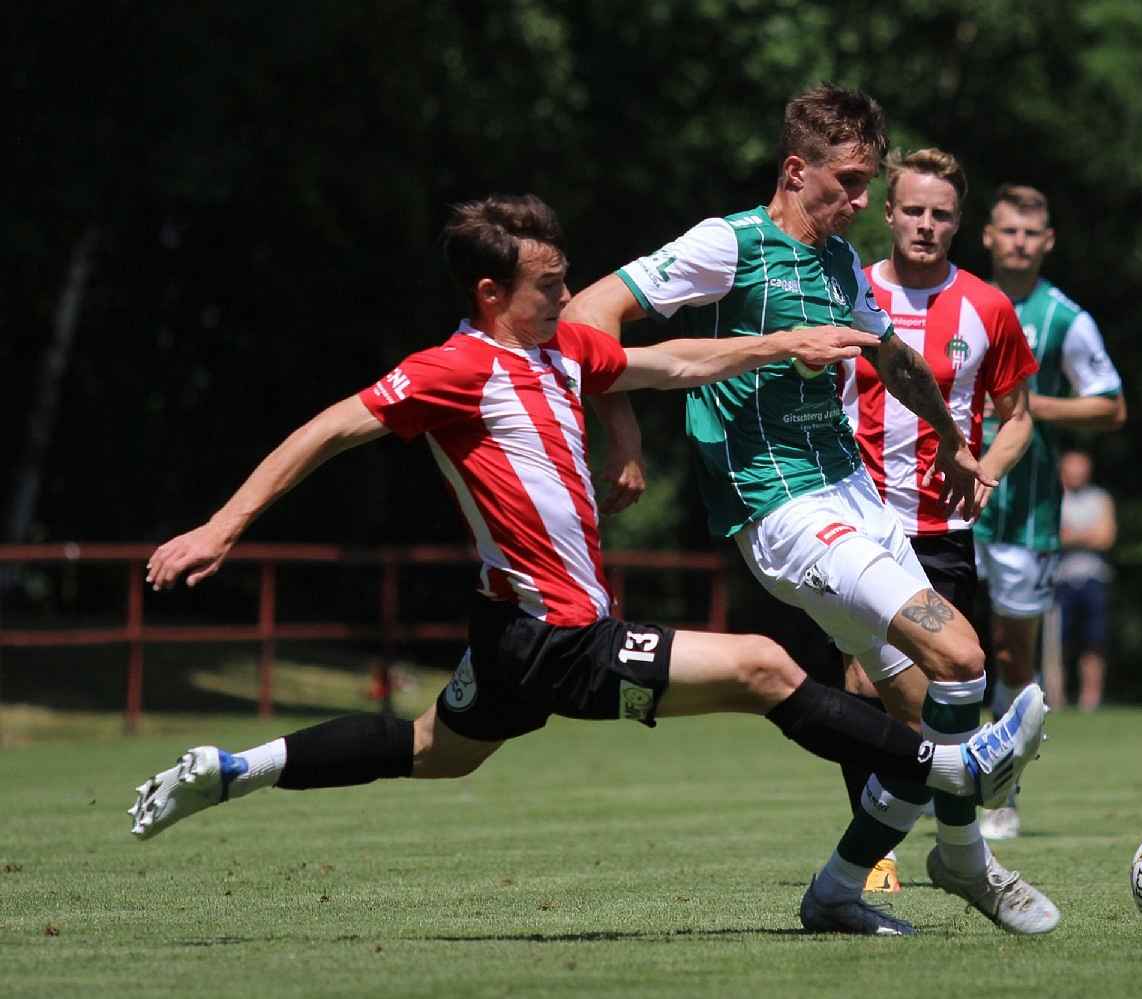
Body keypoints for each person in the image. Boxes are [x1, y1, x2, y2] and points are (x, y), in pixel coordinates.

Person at [127, 196, 1032, 924]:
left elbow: (667, 361)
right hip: (554, 636)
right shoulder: (454, 370)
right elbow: (330, 427)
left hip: (509, 635)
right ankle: (949, 770)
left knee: (432, 750)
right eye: (549, 285)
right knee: (765, 666)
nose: (568, 297)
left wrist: (772, 346)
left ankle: (232, 768)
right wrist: (223, 526)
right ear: (491, 292)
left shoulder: (560, 348)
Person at [563, 86, 1058, 936]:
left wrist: (947, 433)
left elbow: (892, 357)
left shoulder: (835, 262)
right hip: (780, 508)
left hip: (853, 492)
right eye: (852, 182)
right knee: (962, 653)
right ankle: (966, 846)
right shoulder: (729, 244)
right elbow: (586, 317)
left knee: (927, 702)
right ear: (798, 171)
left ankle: (845, 887)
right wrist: (627, 439)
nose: (866, 203)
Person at [831, 147, 1038, 892]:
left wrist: (988, 466)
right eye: (912, 210)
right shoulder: (842, 288)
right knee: (863, 679)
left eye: (940, 214)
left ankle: (959, 834)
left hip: (940, 528)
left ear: (959, 223)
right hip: (853, 518)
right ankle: (875, 846)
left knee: (951, 687)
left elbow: (1019, 418)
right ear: (886, 213)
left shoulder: (987, 307)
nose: (924, 224)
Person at [974, 184, 1126, 841]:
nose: (1018, 242)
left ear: (1048, 241)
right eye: (1008, 231)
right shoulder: (959, 302)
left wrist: (1029, 410)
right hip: (946, 503)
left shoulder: (1066, 319)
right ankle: (927, 780)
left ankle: (1003, 791)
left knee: (1013, 656)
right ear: (987, 235)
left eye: (1030, 233)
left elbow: (1110, 405)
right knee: (926, 648)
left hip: (1025, 513)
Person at [1053, 449, 1117, 712]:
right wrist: (1086, 535)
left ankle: (1090, 701)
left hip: (1094, 578)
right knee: (1058, 643)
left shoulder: (1100, 498)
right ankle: (1056, 700)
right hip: (1058, 580)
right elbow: (1053, 537)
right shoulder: (1052, 498)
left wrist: (1071, 536)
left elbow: (1106, 537)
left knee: (1094, 641)